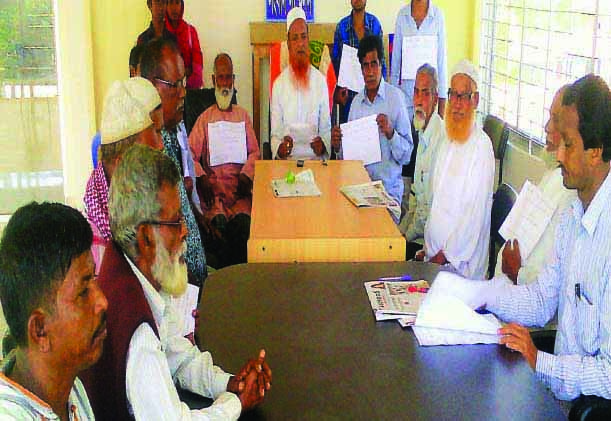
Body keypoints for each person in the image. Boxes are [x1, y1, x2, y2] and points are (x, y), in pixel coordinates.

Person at [443, 74, 611, 412]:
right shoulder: (573, 215)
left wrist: (539, 360)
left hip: (586, 407)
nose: (558, 154)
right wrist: (478, 294)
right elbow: (541, 301)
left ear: (595, 153)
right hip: (557, 394)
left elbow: (608, 374)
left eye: (568, 144)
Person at [81, 145, 271, 420]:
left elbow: (176, 355)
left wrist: (229, 384)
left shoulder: (135, 269)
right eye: (175, 222)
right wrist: (236, 403)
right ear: (146, 237)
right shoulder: (138, 336)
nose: (184, 231)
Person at [0, 202, 108, 420]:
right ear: (40, 330)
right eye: (83, 291)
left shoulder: (71, 388)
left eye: (94, 279)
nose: (102, 302)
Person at [140, 37, 207, 285]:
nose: (183, 93)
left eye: (184, 82)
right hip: (180, 292)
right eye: (174, 84)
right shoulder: (148, 152)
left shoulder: (173, 131)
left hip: (197, 282)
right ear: (150, 86)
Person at [494, 85, 576, 285]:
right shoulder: (553, 174)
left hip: (520, 294)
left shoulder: (569, 191)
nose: (547, 127)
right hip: (503, 290)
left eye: (556, 120)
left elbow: (547, 281)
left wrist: (517, 273)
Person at [421, 59, 494, 279]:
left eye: (463, 96)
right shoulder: (447, 139)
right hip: (434, 260)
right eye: (452, 94)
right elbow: (436, 203)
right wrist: (427, 250)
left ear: (475, 100)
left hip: (459, 268)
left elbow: (471, 220)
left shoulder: (481, 147)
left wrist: (441, 259)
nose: (456, 103)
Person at [84, 77, 164, 274]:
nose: (161, 145)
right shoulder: (91, 250)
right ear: (123, 165)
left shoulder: (147, 197)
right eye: (156, 132)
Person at [331, 35, 413, 222]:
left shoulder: (395, 99)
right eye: (365, 66)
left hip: (387, 193)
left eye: (374, 64)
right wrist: (337, 146)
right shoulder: (356, 104)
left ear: (381, 64)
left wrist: (391, 133)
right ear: (360, 69)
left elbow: (407, 156)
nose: (369, 72)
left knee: (377, 231)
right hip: (358, 192)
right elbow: (347, 159)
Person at [189, 53, 260, 267]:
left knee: (243, 231)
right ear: (213, 80)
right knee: (218, 234)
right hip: (215, 198)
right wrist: (201, 177)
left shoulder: (243, 116)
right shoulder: (204, 119)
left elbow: (255, 153)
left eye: (229, 77)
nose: (225, 83)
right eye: (221, 77)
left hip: (239, 195)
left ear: (233, 80)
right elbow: (190, 155)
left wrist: (247, 175)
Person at [391, 1, 448, 221]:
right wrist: (394, 104)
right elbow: (395, 65)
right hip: (407, 104)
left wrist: (440, 111)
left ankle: (418, 221)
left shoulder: (438, 17)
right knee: (408, 163)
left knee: (427, 162)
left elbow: (441, 65)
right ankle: (408, 213)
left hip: (429, 104)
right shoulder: (402, 16)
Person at [271, 6, 331, 160]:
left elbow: (326, 130)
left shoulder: (320, 81)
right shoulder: (278, 85)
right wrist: (279, 148)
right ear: (289, 44)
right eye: (295, 38)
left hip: (316, 162)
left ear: (308, 40)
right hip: (287, 164)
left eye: (303, 37)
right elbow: (275, 135)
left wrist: (324, 145)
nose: (300, 44)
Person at [399, 63, 445, 258]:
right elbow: (415, 198)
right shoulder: (421, 131)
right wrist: (399, 233)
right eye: (416, 92)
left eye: (425, 93)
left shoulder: (440, 140)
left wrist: (404, 238)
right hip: (419, 232)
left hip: (430, 243)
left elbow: (427, 211)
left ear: (435, 98)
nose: (419, 100)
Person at [331, 0, 385, 125]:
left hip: (372, 99)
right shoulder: (341, 27)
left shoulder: (374, 25)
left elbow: (382, 63)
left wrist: (381, 95)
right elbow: (335, 65)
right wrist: (337, 92)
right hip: (347, 101)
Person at [165, 0, 203, 89]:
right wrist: (186, 71)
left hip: (189, 90)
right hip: (166, 91)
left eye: (177, 2)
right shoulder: (161, 33)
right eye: (170, 2)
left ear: (182, 5)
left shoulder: (191, 32)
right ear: (165, 6)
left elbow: (197, 73)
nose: (174, 8)